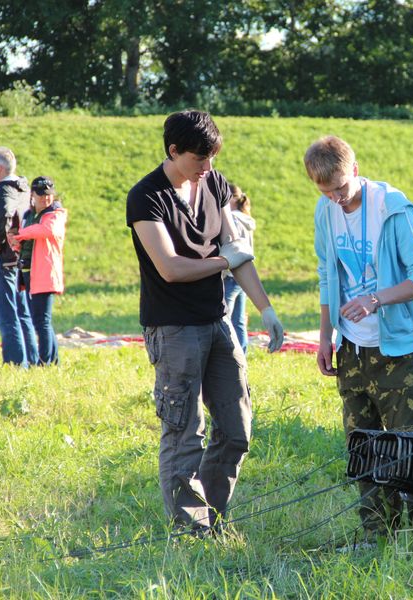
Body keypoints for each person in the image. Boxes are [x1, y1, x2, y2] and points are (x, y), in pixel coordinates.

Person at [126, 110, 285, 533]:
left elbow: (237, 250)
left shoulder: (213, 183)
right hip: (173, 328)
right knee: (184, 433)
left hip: (218, 322)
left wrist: (265, 309)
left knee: (236, 429)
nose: (208, 167)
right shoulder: (147, 197)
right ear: (174, 151)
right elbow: (171, 268)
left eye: (213, 156)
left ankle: (212, 518)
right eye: (200, 158)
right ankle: (191, 531)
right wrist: (223, 261)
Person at [305, 135, 413, 539]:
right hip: (351, 348)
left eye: (341, 189)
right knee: (363, 448)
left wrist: (376, 300)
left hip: (396, 348)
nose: (335, 200)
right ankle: (377, 535)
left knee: (412, 447)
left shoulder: (392, 208)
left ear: (356, 171)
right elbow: (328, 275)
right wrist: (325, 337)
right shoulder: (325, 211)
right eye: (325, 192)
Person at [0, 147, 32, 367]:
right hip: (19, 256)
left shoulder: (3, 190)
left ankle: (14, 363)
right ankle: (30, 358)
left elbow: (5, 216)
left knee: (7, 314)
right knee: (22, 312)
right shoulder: (23, 187)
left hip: (4, 257)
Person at [10, 176, 67, 365]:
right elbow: (27, 240)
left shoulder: (56, 213)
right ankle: (53, 361)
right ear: (32, 195)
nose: (46, 199)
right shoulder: (28, 215)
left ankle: (45, 362)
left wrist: (21, 234)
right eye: (41, 195)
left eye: (49, 195)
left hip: (44, 274)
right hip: (28, 272)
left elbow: (47, 231)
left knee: (42, 321)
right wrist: (16, 242)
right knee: (40, 320)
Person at [222, 186, 256, 351]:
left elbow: (230, 244)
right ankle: (242, 350)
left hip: (232, 272)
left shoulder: (233, 219)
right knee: (239, 318)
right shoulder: (246, 219)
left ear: (232, 199)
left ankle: (228, 350)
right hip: (244, 273)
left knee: (224, 315)